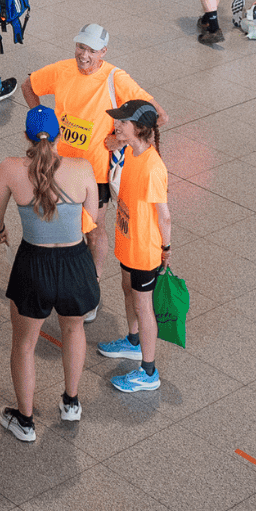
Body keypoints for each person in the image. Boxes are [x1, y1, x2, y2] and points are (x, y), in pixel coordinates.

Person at [22, 22, 165, 305]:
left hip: (95, 173)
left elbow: (158, 116)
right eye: (80, 46)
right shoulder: (62, 69)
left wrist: (121, 138)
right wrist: (44, 121)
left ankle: (92, 287)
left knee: (94, 230)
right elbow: (29, 85)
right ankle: (61, 280)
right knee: (61, 226)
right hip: (60, 166)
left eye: (91, 50)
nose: (83, 55)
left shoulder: (116, 78)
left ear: (104, 52)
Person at [0, 107, 99, 442]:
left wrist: (1, 229)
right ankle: (71, 401)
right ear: (60, 136)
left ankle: (25, 419)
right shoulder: (82, 168)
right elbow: (89, 221)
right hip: (76, 264)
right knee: (74, 330)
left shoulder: (11, 168)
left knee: (24, 344)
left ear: (26, 137)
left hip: (33, 265)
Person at [96, 101, 171, 393]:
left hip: (144, 250)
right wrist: (116, 140)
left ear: (139, 129)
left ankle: (148, 371)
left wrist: (166, 248)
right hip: (128, 241)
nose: (117, 125)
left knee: (144, 307)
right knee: (128, 291)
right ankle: (132, 341)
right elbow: (112, 142)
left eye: (123, 122)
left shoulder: (153, 167)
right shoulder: (131, 151)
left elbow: (164, 215)